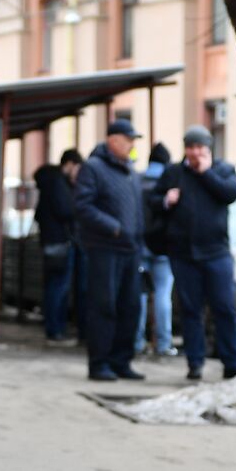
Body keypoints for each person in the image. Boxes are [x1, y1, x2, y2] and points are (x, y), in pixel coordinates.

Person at [151, 125, 236, 381]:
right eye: (190, 147)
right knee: (191, 311)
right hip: (183, 254)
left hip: (217, 253)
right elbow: (153, 202)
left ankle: (231, 363)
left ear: (208, 148)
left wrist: (206, 173)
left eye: (200, 147)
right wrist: (165, 200)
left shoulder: (223, 169)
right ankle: (194, 363)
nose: (195, 153)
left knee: (224, 309)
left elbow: (230, 193)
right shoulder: (173, 173)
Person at [75, 119, 147, 382]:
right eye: (128, 140)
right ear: (113, 140)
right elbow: (83, 207)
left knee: (130, 307)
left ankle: (121, 361)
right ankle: (99, 363)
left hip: (131, 250)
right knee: (104, 306)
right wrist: (114, 227)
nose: (132, 145)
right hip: (105, 248)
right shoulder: (93, 168)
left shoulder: (129, 170)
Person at [33, 149, 84, 344]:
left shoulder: (49, 182)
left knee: (53, 285)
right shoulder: (58, 183)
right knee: (59, 287)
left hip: (50, 240)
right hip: (60, 241)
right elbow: (66, 210)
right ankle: (56, 330)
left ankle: (54, 327)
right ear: (70, 164)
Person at [137, 143, 177, 357]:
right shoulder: (170, 182)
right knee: (162, 294)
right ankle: (163, 344)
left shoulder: (138, 180)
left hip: (140, 245)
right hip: (163, 248)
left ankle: (137, 342)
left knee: (140, 294)